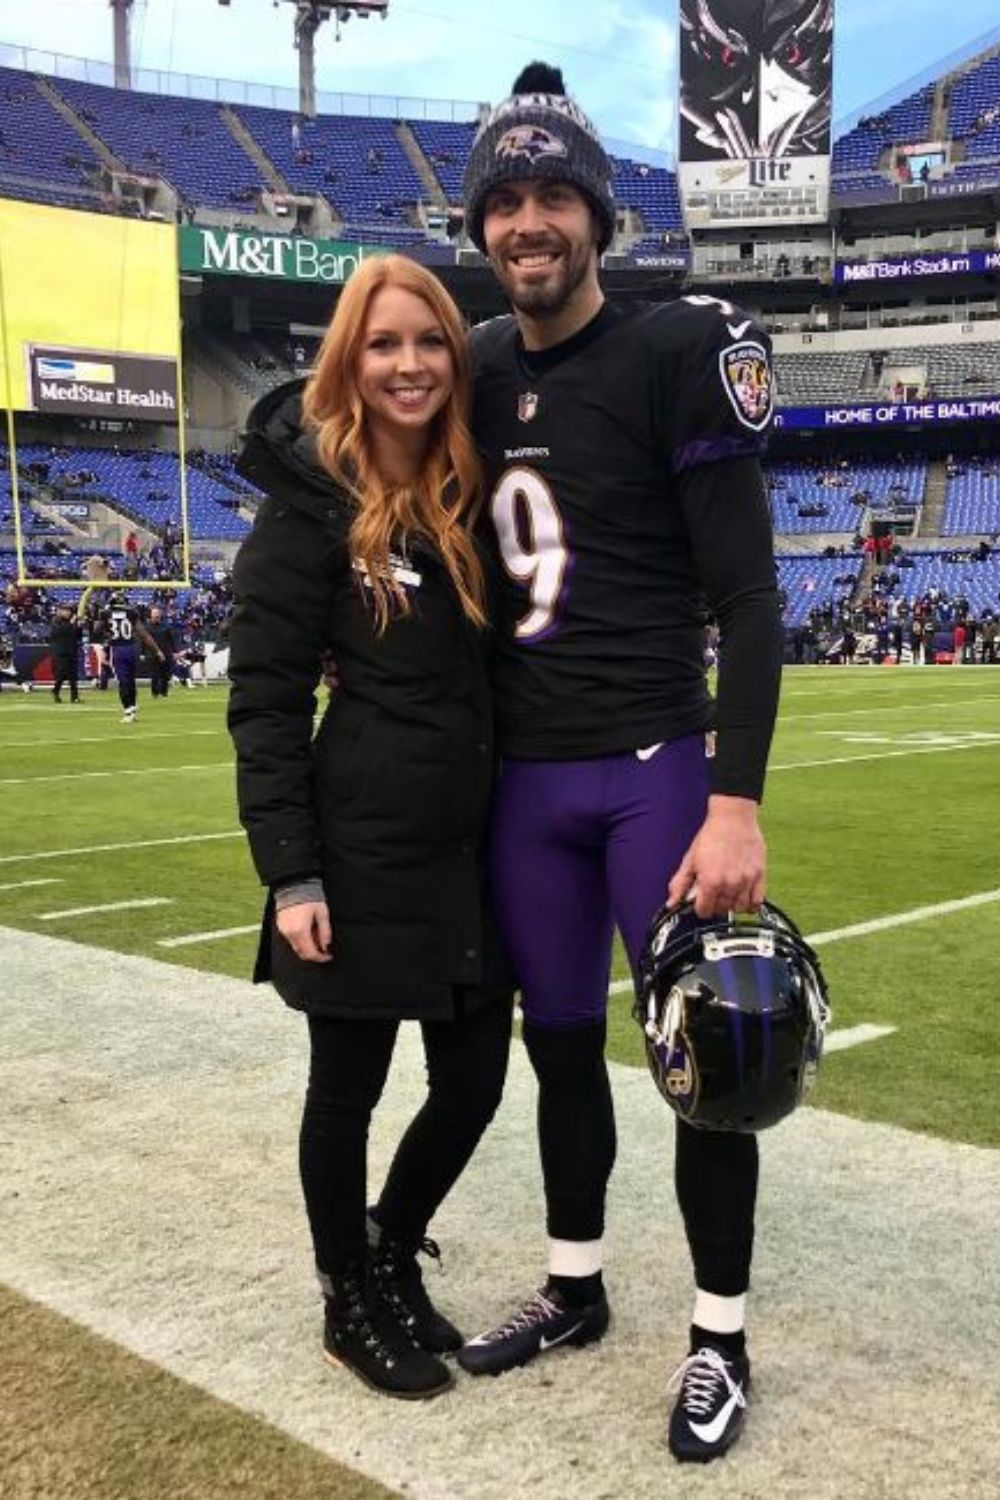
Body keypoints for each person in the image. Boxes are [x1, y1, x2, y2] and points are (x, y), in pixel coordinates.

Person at [454, 64, 783, 1465]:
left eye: (553, 197)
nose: (530, 223)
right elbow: (332, 433)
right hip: (526, 780)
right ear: (482, 228)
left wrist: (737, 795)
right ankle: (576, 1284)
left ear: (596, 217)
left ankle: (719, 1335)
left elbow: (751, 597)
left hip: (656, 764)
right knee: (558, 1052)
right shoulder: (466, 364)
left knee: (709, 1057)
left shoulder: (669, 350)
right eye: (506, 202)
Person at [226, 255, 515, 1401]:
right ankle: (347, 1296)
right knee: (344, 1091)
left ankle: (389, 1250)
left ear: (457, 357)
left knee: (473, 1084)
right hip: (355, 847)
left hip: (470, 852)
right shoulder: (308, 506)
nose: (409, 365)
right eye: (384, 343)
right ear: (350, 358)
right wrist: (292, 872)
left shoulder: (468, 493)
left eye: (430, 342)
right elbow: (263, 703)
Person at [80, 587, 163, 723]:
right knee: (130, 681)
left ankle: (128, 711)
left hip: (117, 649)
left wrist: (99, 621)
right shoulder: (131, 613)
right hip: (131, 648)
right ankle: (133, 709)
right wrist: (157, 650)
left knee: (123, 682)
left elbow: (96, 630)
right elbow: (144, 634)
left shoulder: (106, 613)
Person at [49, 602, 83, 703]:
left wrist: (79, 627)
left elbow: (77, 636)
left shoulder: (71, 622)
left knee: (73, 675)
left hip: (71, 650)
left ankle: (74, 697)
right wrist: (72, 624)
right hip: (61, 652)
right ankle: (56, 691)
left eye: (69, 611)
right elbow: (58, 632)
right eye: (66, 610)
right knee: (61, 673)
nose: (68, 612)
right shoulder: (56, 621)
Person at [145, 604, 176, 697]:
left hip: (166, 653)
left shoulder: (166, 626)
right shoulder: (147, 627)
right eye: (154, 615)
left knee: (165, 675)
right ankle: (154, 693)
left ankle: (164, 692)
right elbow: (144, 641)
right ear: (151, 616)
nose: (156, 617)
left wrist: (175, 651)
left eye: (157, 615)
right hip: (153, 654)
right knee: (154, 675)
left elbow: (171, 640)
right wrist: (142, 653)